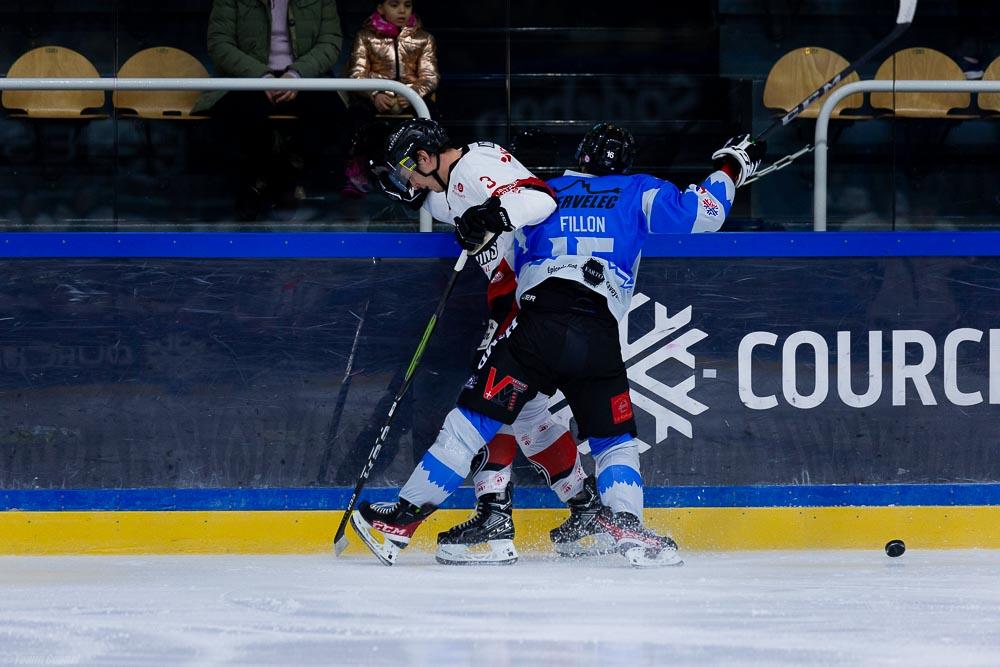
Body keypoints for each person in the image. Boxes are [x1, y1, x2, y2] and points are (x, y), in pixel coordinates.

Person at [354, 121, 764, 567]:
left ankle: (407, 518)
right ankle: (626, 526)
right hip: (598, 334)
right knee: (613, 440)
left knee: (472, 420)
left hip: (538, 326)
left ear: (581, 156)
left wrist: (481, 224)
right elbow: (704, 213)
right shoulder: (638, 190)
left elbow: (506, 237)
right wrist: (732, 166)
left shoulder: (550, 191)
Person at [354, 119, 598, 566]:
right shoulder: (453, 179)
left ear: (425, 157)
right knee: (526, 416)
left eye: (407, 171)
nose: (407, 181)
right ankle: (586, 512)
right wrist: (410, 191)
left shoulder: (472, 168)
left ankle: (438, 518)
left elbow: (540, 199)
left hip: (530, 303)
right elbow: (446, 201)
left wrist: (491, 216)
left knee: (479, 409)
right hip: (522, 306)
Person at [192, 0, 344, 220]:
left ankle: (293, 176)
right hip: (247, 78)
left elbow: (330, 42)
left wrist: (296, 75)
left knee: (331, 112)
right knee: (235, 113)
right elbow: (219, 43)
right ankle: (257, 182)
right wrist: (261, 77)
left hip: (306, 77)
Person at [342, 0, 439, 198]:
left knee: (430, 117)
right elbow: (356, 73)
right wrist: (374, 93)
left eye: (407, 5)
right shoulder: (365, 36)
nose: (402, 10)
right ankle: (358, 169)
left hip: (410, 99)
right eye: (394, 5)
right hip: (375, 99)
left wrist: (411, 93)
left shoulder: (424, 38)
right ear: (381, 8)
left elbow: (430, 76)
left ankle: (424, 172)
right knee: (356, 115)